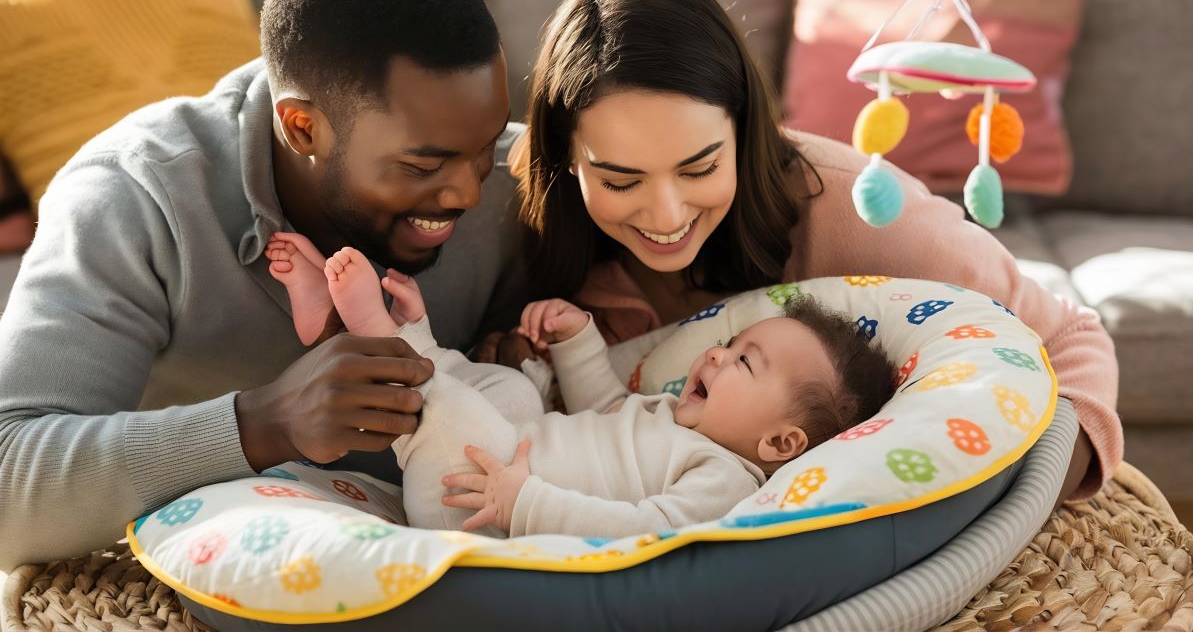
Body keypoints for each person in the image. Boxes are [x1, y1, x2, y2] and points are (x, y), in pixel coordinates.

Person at [481, 0, 1120, 509]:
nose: (665, 213)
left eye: (700, 167)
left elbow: (1068, 341)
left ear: (743, 128)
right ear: (566, 159)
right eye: (621, 180)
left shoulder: (849, 208)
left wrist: (1005, 508)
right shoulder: (531, 215)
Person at [0, 0, 525, 571]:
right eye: (422, 167)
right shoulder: (136, 196)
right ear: (302, 129)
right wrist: (264, 422)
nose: (467, 192)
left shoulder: (520, 187)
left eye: (484, 148)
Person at [264, 233, 894, 537]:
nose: (718, 358)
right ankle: (405, 339)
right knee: (510, 390)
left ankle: (372, 329)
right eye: (730, 347)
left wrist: (526, 502)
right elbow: (608, 405)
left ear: (782, 445)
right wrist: (578, 339)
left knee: (460, 412)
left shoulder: (722, 479)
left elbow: (646, 530)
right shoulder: (673, 416)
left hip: (484, 509)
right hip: (502, 451)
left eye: (746, 365)